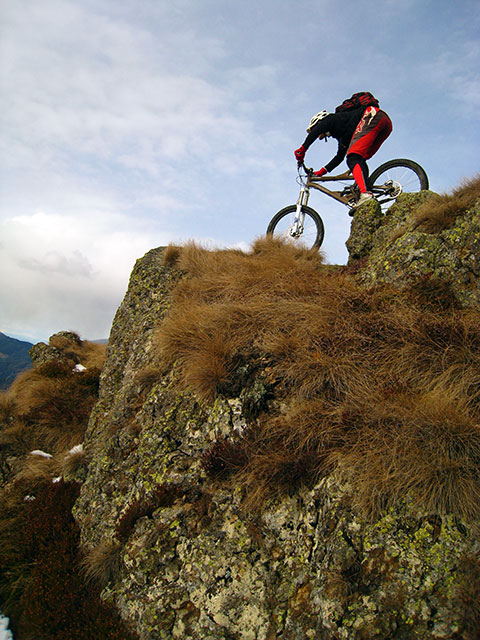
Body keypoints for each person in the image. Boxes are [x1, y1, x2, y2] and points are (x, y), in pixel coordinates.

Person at [294, 103, 392, 205]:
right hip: (385, 123)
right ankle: (367, 191)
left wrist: (302, 149)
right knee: (359, 158)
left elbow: (317, 130)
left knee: (353, 157)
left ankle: (365, 194)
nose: (319, 137)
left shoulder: (331, 119)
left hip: (372, 116)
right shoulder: (342, 135)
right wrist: (321, 172)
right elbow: (339, 157)